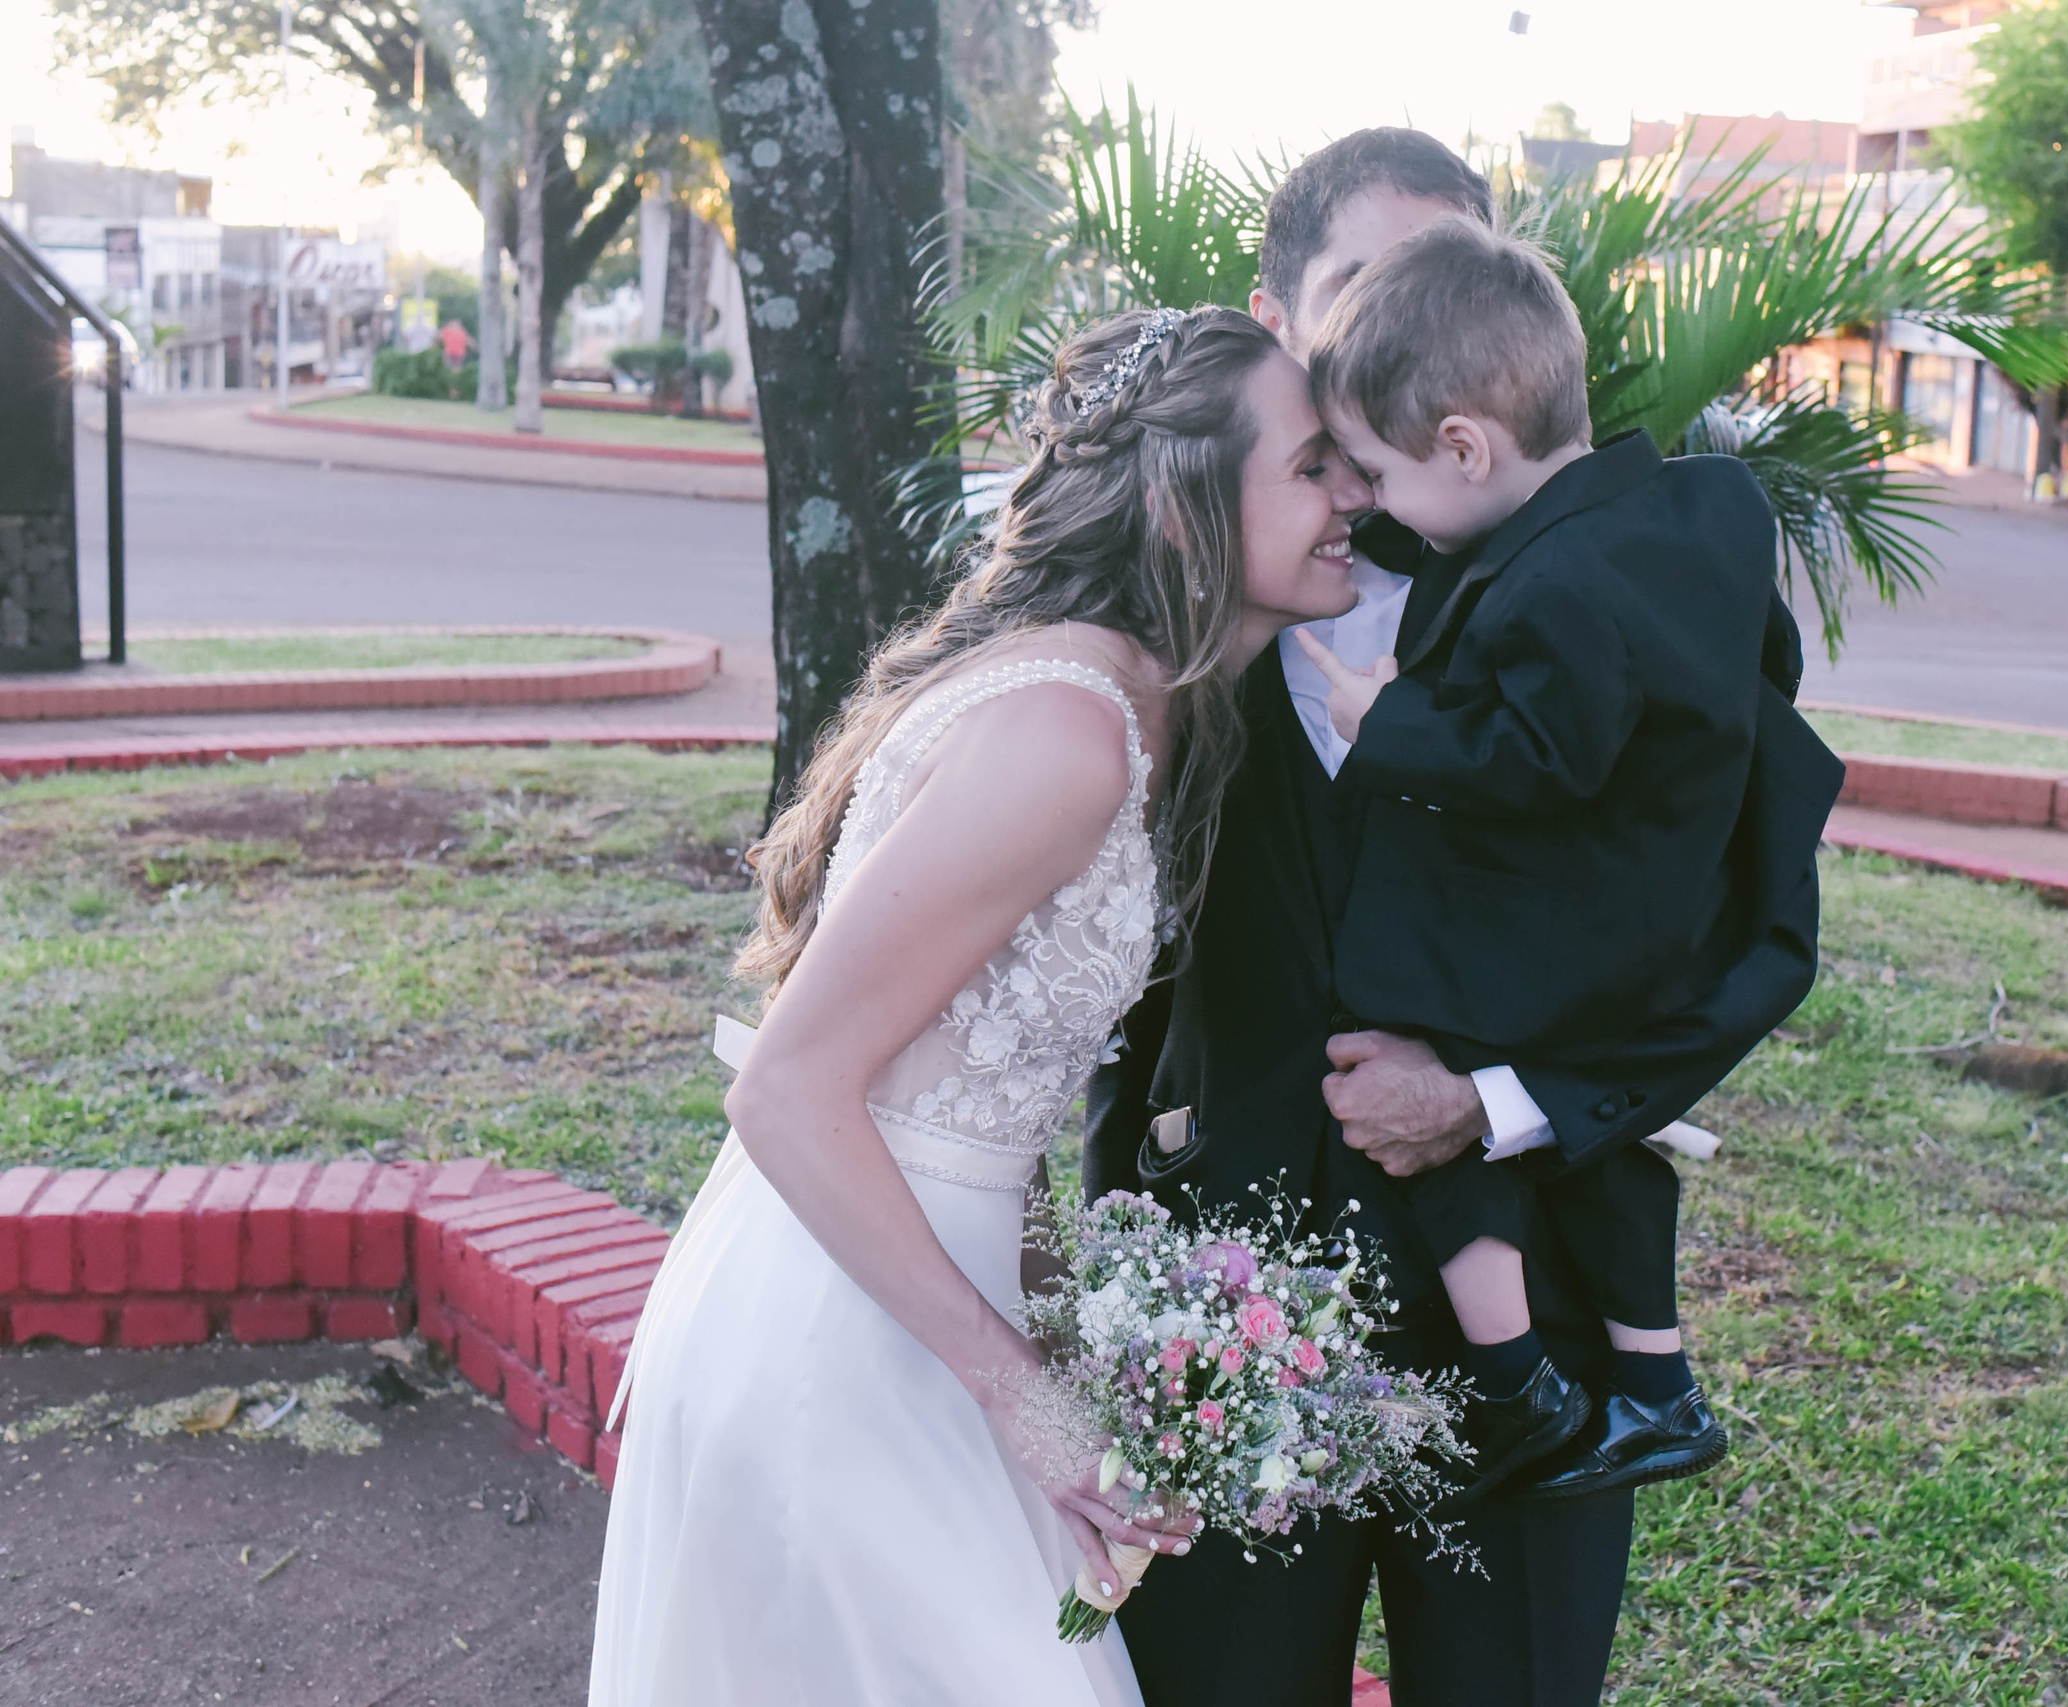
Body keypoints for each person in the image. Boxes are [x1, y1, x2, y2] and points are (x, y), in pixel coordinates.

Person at [1089, 130, 1844, 1707]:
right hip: (1234, 1303)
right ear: (1284, 318)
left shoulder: (1633, 596)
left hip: (1534, 1325)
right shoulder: (1152, 609)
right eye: (1375, 285)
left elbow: (1745, 925)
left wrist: (1497, 1103)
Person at [587, 303, 1380, 1706]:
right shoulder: (1067, 733)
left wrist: (1066, 1343)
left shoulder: (1134, 703)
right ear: (1189, 510)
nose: (1357, 496)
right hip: (847, 1352)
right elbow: (786, 1087)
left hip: (921, 1296)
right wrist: (1023, 1394)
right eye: (1316, 465)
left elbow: (979, 1102)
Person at [1294, 214, 1794, 1507]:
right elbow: (1762, 669)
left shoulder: (1556, 586)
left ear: (1464, 443)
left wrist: (1382, 720)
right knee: (1609, 1149)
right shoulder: (1693, 513)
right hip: (1659, 906)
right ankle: (1658, 1385)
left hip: (1556, 935)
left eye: (1374, 474)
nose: (1364, 504)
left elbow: (1541, 758)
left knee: (1392, 1060)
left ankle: (1515, 1382)